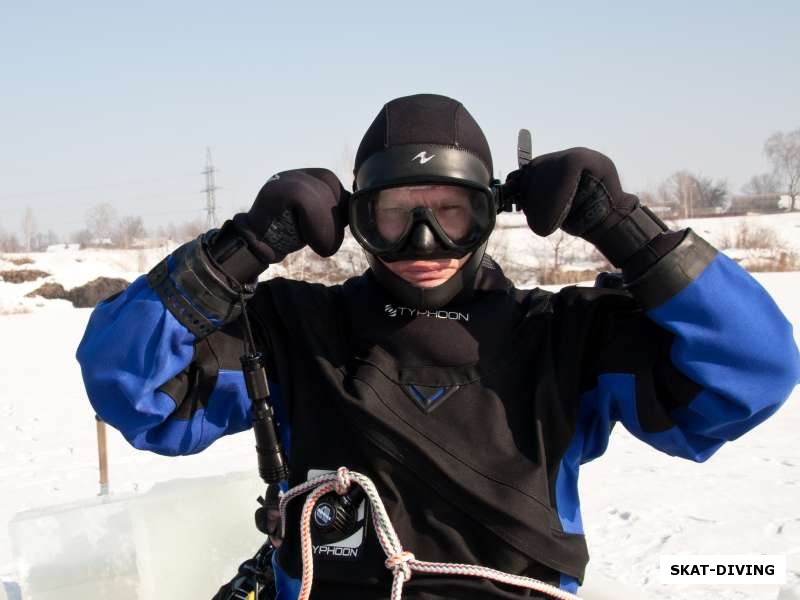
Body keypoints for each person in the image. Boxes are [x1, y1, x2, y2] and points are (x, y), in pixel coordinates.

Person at [77, 94, 799, 600]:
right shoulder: (293, 332)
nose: (425, 244)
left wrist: (626, 228)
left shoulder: (566, 338)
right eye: (396, 216)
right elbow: (128, 387)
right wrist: (239, 249)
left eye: (452, 212)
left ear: (488, 214)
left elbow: (754, 373)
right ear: (358, 220)